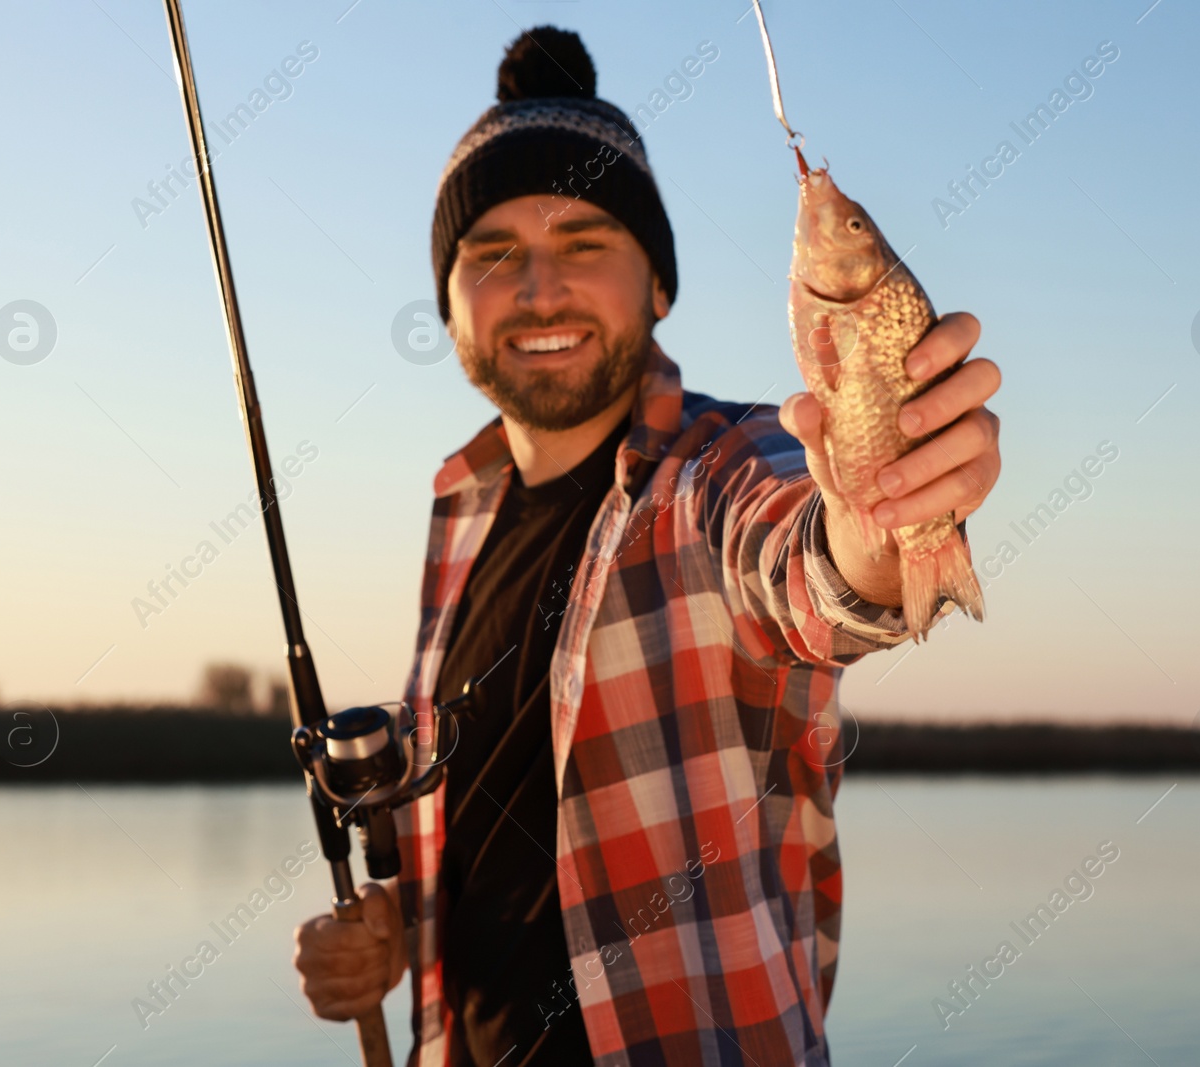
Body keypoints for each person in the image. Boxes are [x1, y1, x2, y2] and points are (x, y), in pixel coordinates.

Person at [295, 25, 1001, 1067]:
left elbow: (802, 565)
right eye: (493, 254)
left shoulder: (722, 465)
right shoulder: (459, 511)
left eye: (584, 243)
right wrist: (394, 925)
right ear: (448, 301)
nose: (539, 289)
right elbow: (499, 845)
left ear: (658, 286)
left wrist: (873, 526)